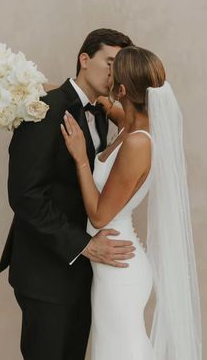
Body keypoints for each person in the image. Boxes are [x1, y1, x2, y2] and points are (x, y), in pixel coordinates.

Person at [0, 28, 136, 360]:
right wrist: (84, 245)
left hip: (82, 275)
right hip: (45, 273)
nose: (114, 73)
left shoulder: (101, 113)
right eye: (109, 62)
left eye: (121, 66)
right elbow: (25, 195)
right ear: (84, 60)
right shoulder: (44, 109)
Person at [61, 46, 202, 360]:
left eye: (113, 72)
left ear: (123, 89)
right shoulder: (131, 124)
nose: (108, 76)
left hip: (118, 265)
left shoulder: (139, 142)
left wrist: (81, 158)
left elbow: (98, 216)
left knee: (121, 351)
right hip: (111, 264)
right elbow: (111, 108)